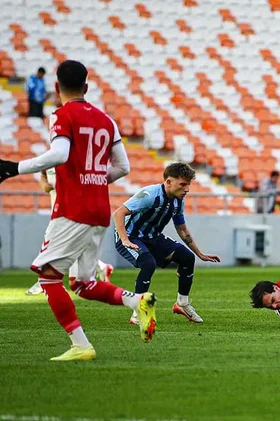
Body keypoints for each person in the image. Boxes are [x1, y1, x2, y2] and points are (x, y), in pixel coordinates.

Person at [0, 59, 157, 361]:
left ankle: (81, 345)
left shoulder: (61, 115)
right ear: (87, 87)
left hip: (73, 210)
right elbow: (123, 167)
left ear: (56, 88)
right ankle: (138, 301)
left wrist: (13, 168)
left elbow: (60, 154)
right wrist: (96, 179)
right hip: (99, 210)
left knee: (48, 278)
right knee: (83, 284)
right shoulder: (106, 120)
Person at [25, 96, 114, 296]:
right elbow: (42, 179)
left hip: (71, 210)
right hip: (59, 207)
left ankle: (44, 280)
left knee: (52, 242)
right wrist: (47, 186)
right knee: (72, 248)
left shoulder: (72, 157)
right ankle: (101, 268)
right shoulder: (52, 157)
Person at [113, 162, 221, 325]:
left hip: (153, 238)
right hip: (130, 237)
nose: (187, 189)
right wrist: (125, 239)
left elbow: (182, 229)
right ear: (169, 182)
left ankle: (182, 304)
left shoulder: (178, 201)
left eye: (188, 185)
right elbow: (119, 213)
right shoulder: (149, 194)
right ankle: (138, 311)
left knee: (187, 258)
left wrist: (200, 254)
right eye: (183, 184)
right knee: (148, 263)